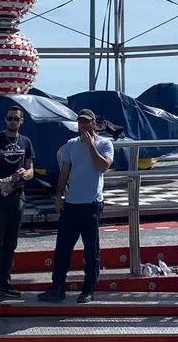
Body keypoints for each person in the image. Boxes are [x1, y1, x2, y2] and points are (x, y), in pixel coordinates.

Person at [38, 109, 114, 304]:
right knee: (62, 249)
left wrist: (90, 147)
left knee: (91, 250)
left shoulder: (104, 144)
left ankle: (88, 288)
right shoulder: (71, 145)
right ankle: (57, 288)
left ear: (94, 124)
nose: (83, 126)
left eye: (86, 122)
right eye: (80, 122)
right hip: (71, 204)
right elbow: (64, 172)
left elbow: (103, 167)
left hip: (91, 204)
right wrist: (58, 195)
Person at [0, 104, 34, 302]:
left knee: (11, 243)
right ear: (5, 120)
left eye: (15, 118)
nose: (12, 121)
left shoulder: (26, 142)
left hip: (17, 196)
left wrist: (25, 174)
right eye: (9, 118)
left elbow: (30, 170)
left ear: (21, 121)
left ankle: (4, 283)